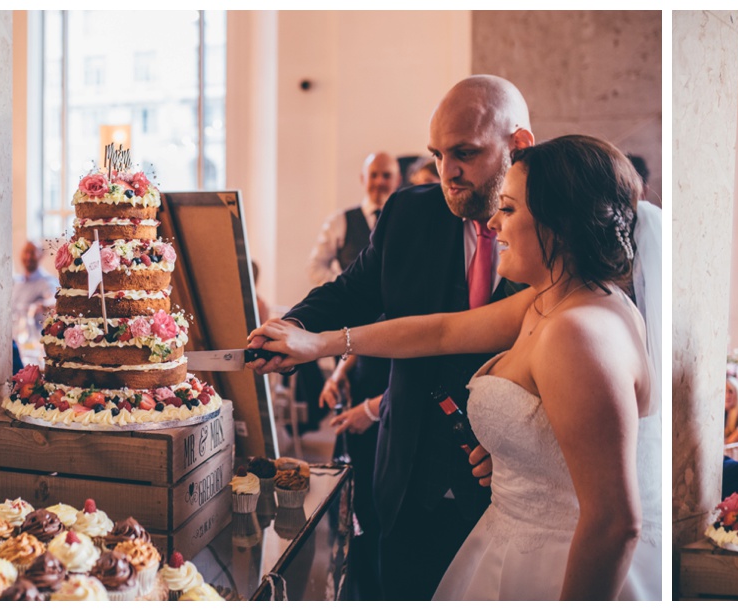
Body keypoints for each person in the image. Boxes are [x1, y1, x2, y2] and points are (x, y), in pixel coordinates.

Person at [251, 134, 659, 600]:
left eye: (508, 209)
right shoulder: (550, 300)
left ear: (557, 223)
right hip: (511, 541)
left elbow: (614, 523)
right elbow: (442, 331)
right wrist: (318, 341)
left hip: (555, 566)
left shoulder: (578, 332)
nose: (493, 222)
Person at [245, 76, 532, 600]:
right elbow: (353, 289)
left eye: (465, 153)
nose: (448, 173)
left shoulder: (553, 231)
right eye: (438, 155)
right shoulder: (410, 213)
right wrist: (295, 328)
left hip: (508, 486)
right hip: (409, 468)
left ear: (518, 146)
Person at [309, 152, 401, 285]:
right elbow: (315, 266)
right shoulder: (339, 221)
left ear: (398, 180)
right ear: (362, 179)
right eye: (373, 175)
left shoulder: (404, 222)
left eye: (386, 175)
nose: (379, 181)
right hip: (352, 304)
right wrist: (341, 286)